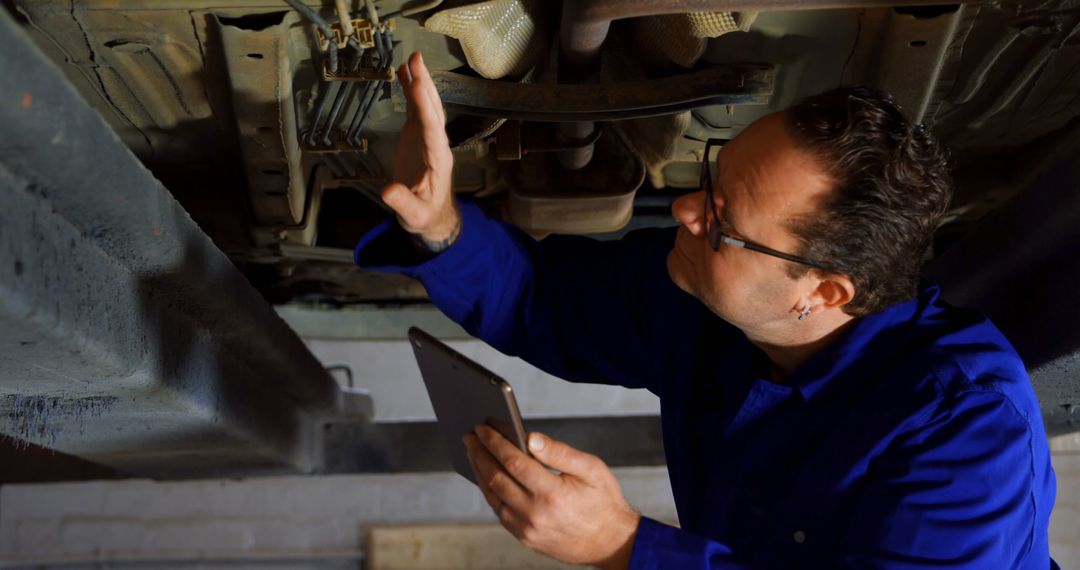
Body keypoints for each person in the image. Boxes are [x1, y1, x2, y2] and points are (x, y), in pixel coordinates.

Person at [354, 52, 1058, 569]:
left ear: (823, 292)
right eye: (711, 181)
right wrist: (442, 225)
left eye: (723, 222)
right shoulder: (707, 296)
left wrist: (623, 547)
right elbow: (546, 300)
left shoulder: (964, 425)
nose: (686, 211)